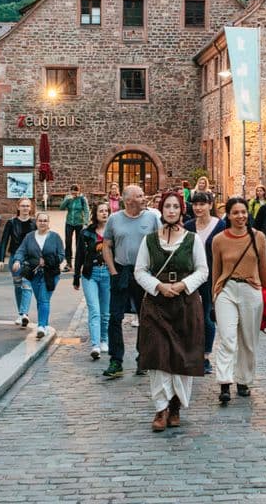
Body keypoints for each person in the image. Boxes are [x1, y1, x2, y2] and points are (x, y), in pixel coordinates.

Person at [134, 191, 208, 432]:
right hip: (157, 304)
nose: (172, 210)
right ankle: (161, 407)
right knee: (158, 356)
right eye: (168, 206)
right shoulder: (149, 240)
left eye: (176, 206)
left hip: (185, 304)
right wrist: (159, 286)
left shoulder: (192, 240)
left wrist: (182, 285)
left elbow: (202, 270)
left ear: (181, 209)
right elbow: (140, 271)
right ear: (161, 209)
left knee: (182, 356)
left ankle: (176, 405)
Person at [211, 197, 266, 404]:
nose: (240, 216)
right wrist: (214, 294)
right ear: (228, 215)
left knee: (248, 339)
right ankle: (224, 382)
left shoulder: (258, 237)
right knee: (227, 337)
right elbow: (216, 270)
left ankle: (244, 380)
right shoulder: (219, 240)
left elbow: (264, 268)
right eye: (235, 212)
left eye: (243, 212)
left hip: (251, 290)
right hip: (226, 289)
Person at [102, 185, 160, 378]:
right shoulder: (114, 219)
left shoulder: (152, 218)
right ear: (128, 200)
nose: (144, 198)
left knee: (146, 317)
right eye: (140, 196)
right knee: (115, 317)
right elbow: (106, 245)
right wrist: (112, 271)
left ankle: (143, 357)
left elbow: (161, 244)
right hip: (121, 271)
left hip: (144, 273)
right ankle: (116, 361)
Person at [183, 190, 226, 374]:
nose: (198, 208)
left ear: (210, 205)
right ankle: (190, 352)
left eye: (202, 204)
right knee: (190, 315)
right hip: (191, 277)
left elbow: (224, 253)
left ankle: (205, 356)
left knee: (207, 315)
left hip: (211, 277)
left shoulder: (220, 225)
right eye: (195, 204)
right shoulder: (188, 226)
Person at [11, 211, 67, 339]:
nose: (42, 223)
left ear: (48, 223)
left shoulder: (55, 237)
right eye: (40, 220)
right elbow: (21, 251)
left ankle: (41, 326)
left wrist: (47, 261)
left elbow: (61, 256)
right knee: (40, 300)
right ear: (36, 222)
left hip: (50, 274)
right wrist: (17, 261)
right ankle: (45, 325)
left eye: (45, 221)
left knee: (44, 299)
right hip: (34, 274)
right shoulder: (29, 237)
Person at [73, 201, 111, 360]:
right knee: (94, 310)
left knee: (105, 312)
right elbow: (79, 255)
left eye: (106, 211)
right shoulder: (86, 233)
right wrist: (76, 276)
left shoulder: (113, 231)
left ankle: (104, 339)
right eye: (101, 211)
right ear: (95, 214)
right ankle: (95, 345)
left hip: (108, 273)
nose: (104, 213)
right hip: (90, 274)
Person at [0, 197, 37, 327]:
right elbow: (4, 241)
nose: (25, 208)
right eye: (23, 206)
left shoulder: (34, 223)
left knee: (27, 284)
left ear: (30, 208)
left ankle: (24, 314)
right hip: (15, 258)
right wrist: (1, 259)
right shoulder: (11, 223)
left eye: (27, 206)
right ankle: (21, 314)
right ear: (18, 207)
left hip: (29, 259)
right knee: (18, 286)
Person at [59, 184, 89, 269]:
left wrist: (86, 223)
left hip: (79, 223)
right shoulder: (68, 198)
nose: (74, 195)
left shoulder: (82, 199)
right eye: (72, 193)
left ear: (79, 192)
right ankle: (68, 263)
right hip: (69, 223)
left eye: (76, 193)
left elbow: (86, 211)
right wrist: (67, 200)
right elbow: (61, 208)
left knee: (79, 244)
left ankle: (78, 262)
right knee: (68, 243)